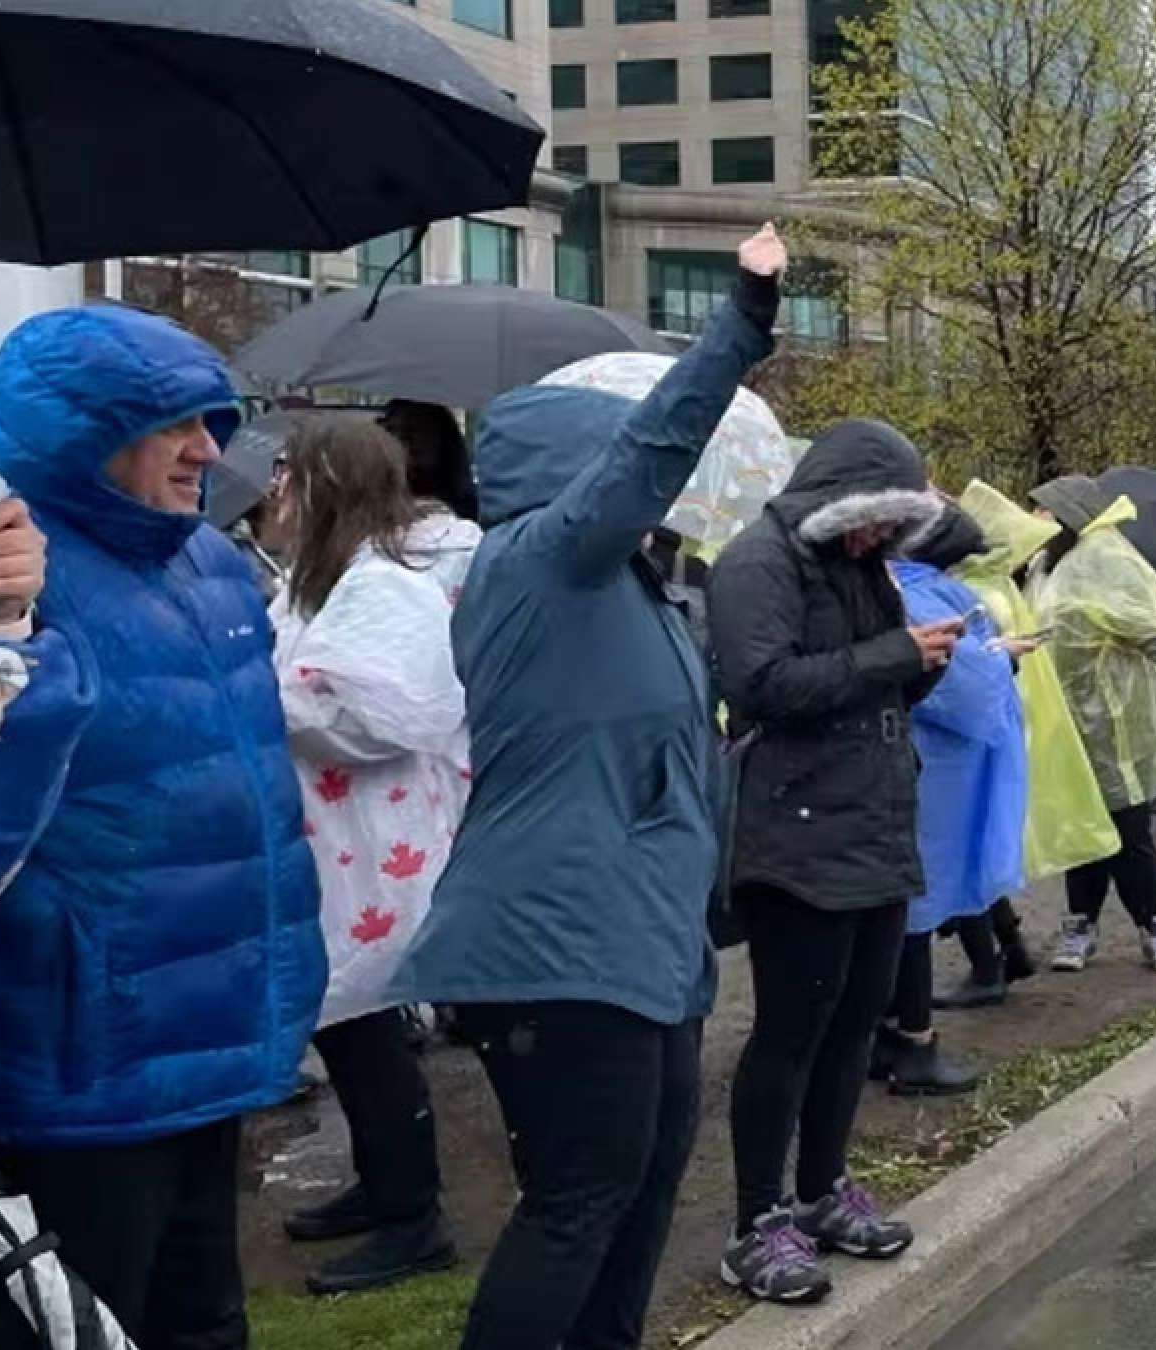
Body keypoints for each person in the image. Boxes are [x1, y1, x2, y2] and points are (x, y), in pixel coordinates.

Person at [394, 226, 787, 1350]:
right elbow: (652, 452)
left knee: (645, 1185)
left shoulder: (634, 590)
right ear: (582, 473)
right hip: (556, 942)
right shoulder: (538, 561)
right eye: (623, 469)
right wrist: (743, 320)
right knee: (576, 1204)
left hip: (641, 941)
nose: (659, 493)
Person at [0, 306, 326, 1350]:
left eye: (213, 418)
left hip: (216, 1036)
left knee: (204, 1323)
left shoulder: (209, 564)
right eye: (174, 424)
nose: (210, 448)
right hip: (76, 1068)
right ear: (87, 433)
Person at [707, 416, 955, 1306]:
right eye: (875, 520)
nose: (880, 539)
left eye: (894, 526)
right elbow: (760, 686)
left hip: (875, 825)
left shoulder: (858, 565)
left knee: (855, 1025)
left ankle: (819, 1191)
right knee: (789, 1033)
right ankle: (754, 1221)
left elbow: (875, 677)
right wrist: (893, 653)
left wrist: (923, 661)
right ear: (837, 501)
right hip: (797, 834)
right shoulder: (756, 565)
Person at [268, 415, 479, 1294]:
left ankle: (413, 1213)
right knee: (350, 1026)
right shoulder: (325, 577)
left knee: (365, 1028)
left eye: (287, 471)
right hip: (340, 846)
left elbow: (392, 716)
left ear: (327, 483)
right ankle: (388, 1185)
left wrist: (271, 696)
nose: (274, 489)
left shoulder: (383, 584)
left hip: (374, 851)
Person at [938, 480, 1117, 1006]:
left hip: (974, 735)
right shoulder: (996, 583)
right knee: (975, 849)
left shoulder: (974, 592)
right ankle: (1009, 952)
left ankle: (988, 968)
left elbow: (966, 673)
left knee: (958, 853)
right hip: (1000, 727)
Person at [1029, 476, 1156, 976]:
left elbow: (1147, 626)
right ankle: (1080, 926)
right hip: (1064, 722)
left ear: (1068, 515)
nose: (1038, 519)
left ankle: (1155, 928)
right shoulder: (1046, 564)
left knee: (1128, 830)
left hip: (1112, 723)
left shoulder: (1106, 561)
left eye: (1045, 511)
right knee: (1080, 829)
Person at [875, 502, 1026, 1093]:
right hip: (933, 770)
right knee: (915, 899)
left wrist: (990, 659)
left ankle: (890, 1034)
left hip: (930, 766)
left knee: (910, 900)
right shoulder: (922, 595)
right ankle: (911, 1041)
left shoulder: (909, 589)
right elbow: (958, 689)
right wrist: (1001, 659)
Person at [378, 399, 478, 522]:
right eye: (391, 430)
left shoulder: (471, 509)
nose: (399, 442)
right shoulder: (374, 503)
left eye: (411, 430)